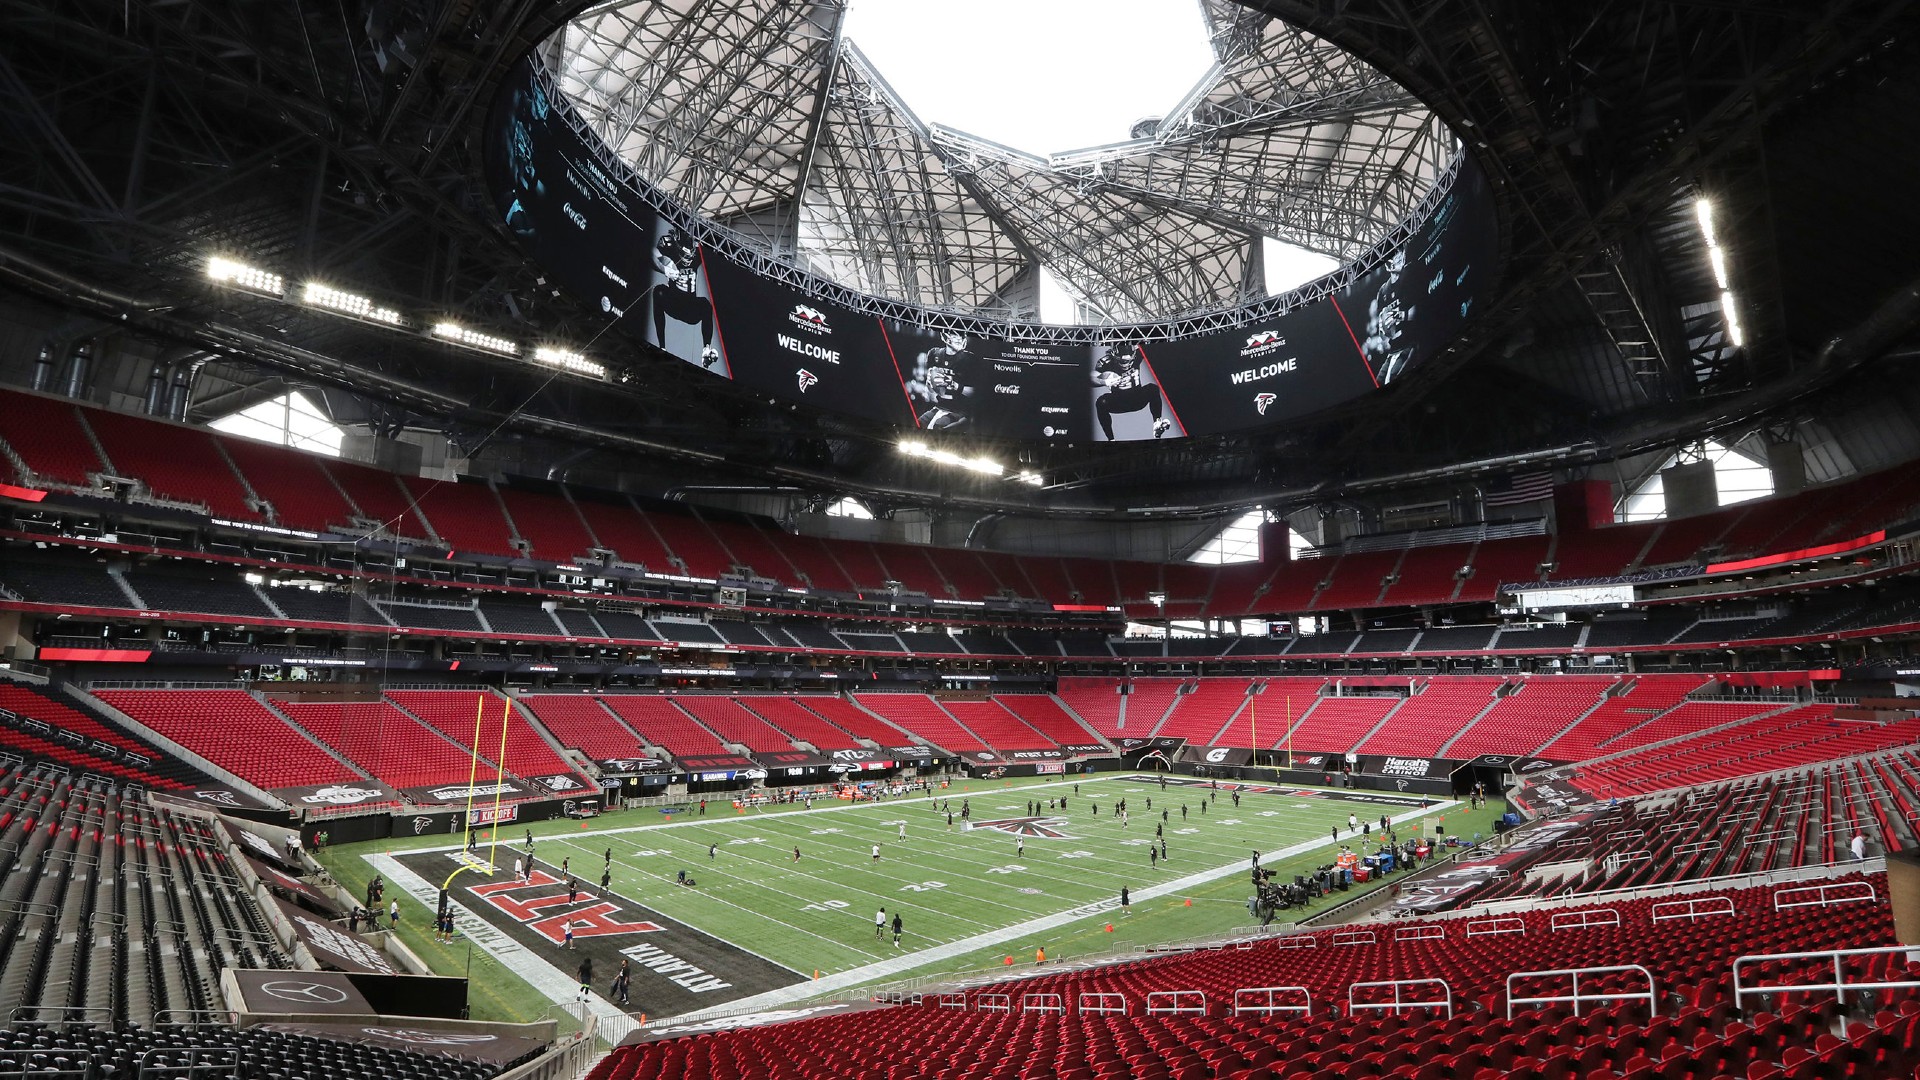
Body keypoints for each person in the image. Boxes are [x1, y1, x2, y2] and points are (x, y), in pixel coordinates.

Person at [648, 229, 721, 368]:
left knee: (706, 304)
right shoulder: (669, 245)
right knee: (658, 291)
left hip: (690, 309)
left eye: (690, 256)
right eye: (684, 255)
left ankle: (706, 349)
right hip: (673, 303)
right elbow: (652, 253)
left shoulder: (698, 252)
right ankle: (662, 346)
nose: (687, 260)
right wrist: (664, 269)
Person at [1091, 343, 1171, 440]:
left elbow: (1154, 347)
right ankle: (1111, 439)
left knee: (1152, 388)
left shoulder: (1138, 353)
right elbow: (1091, 378)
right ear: (1113, 355)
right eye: (1122, 361)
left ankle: (1157, 423)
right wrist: (1104, 382)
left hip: (1137, 398)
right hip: (1119, 401)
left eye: (1128, 361)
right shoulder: (1105, 362)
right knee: (1100, 402)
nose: (1125, 364)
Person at [910, 331, 979, 430]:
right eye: (955, 334)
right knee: (918, 424)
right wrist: (930, 382)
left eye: (961, 335)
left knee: (938, 426)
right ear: (944, 336)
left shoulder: (968, 359)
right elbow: (931, 391)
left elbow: (975, 393)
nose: (959, 338)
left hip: (959, 411)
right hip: (940, 406)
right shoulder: (935, 354)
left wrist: (954, 385)